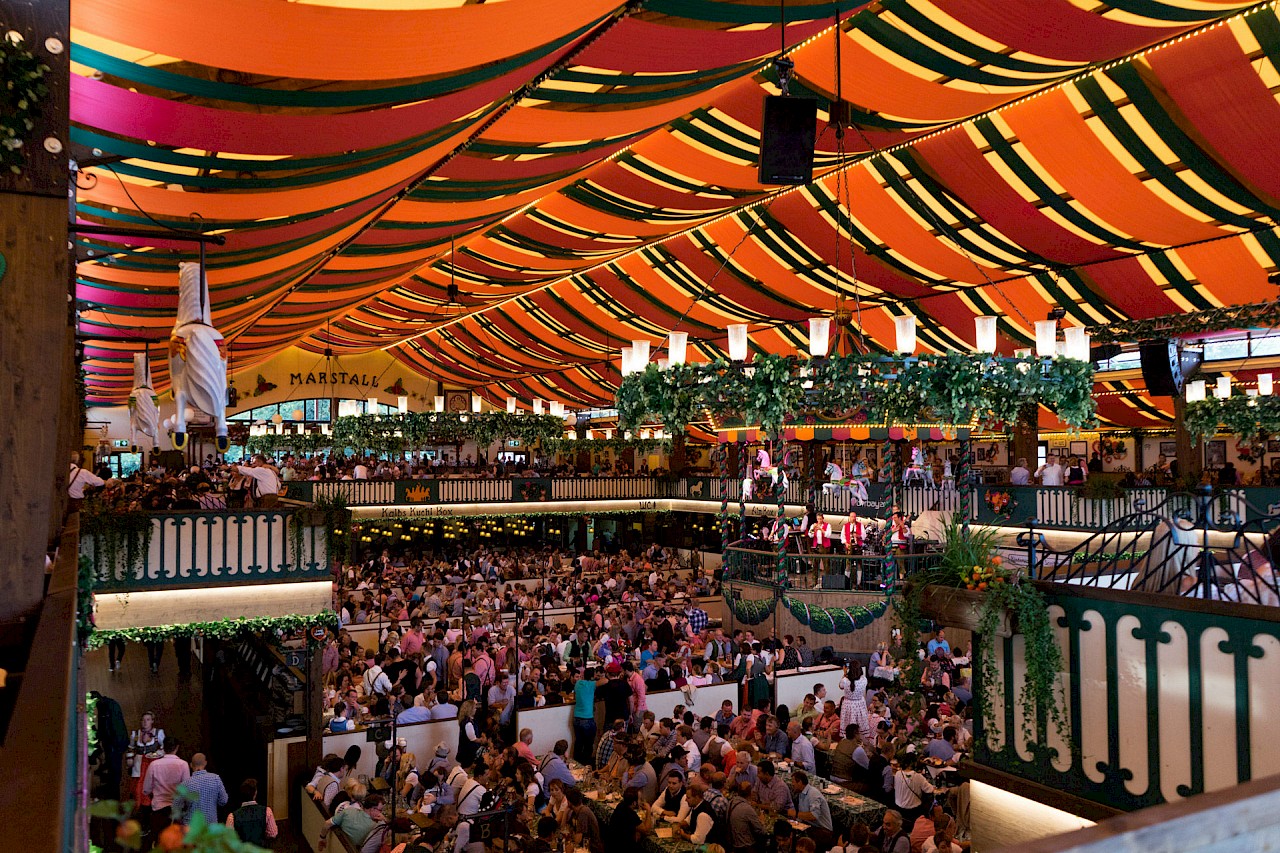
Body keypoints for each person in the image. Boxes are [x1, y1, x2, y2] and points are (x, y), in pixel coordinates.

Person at [143, 739, 190, 837]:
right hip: (176, 810)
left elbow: (146, 789)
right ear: (177, 748)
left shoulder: (154, 765)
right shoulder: (183, 765)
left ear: (163, 747)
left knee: (159, 839)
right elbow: (186, 790)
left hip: (158, 808)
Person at [786, 770, 832, 848]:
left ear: (799, 782)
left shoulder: (813, 794)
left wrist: (796, 814)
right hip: (810, 826)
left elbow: (814, 816)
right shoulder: (801, 793)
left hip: (822, 831)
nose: (792, 784)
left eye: (793, 782)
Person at [227, 778, 278, 845]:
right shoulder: (267, 811)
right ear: (255, 793)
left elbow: (228, 840)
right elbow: (273, 834)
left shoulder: (232, 816)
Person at [184, 753, 228, 826]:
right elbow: (224, 801)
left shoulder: (185, 784)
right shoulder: (215, 779)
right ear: (205, 763)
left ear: (191, 765)